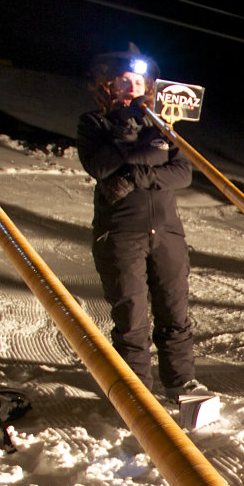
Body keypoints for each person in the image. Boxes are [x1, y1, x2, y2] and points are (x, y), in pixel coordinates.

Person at [77, 47, 205, 402]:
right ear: (109, 85)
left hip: (166, 232)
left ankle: (181, 382)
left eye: (138, 81)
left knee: (174, 310)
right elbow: (99, 167)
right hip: (120, 232)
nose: (132, 87)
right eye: (124, 80)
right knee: (131, 317)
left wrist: (135, 175)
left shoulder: (163, 124)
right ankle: (137, 394)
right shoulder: (95, 123)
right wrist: (129, 137)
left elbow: (182, 172)